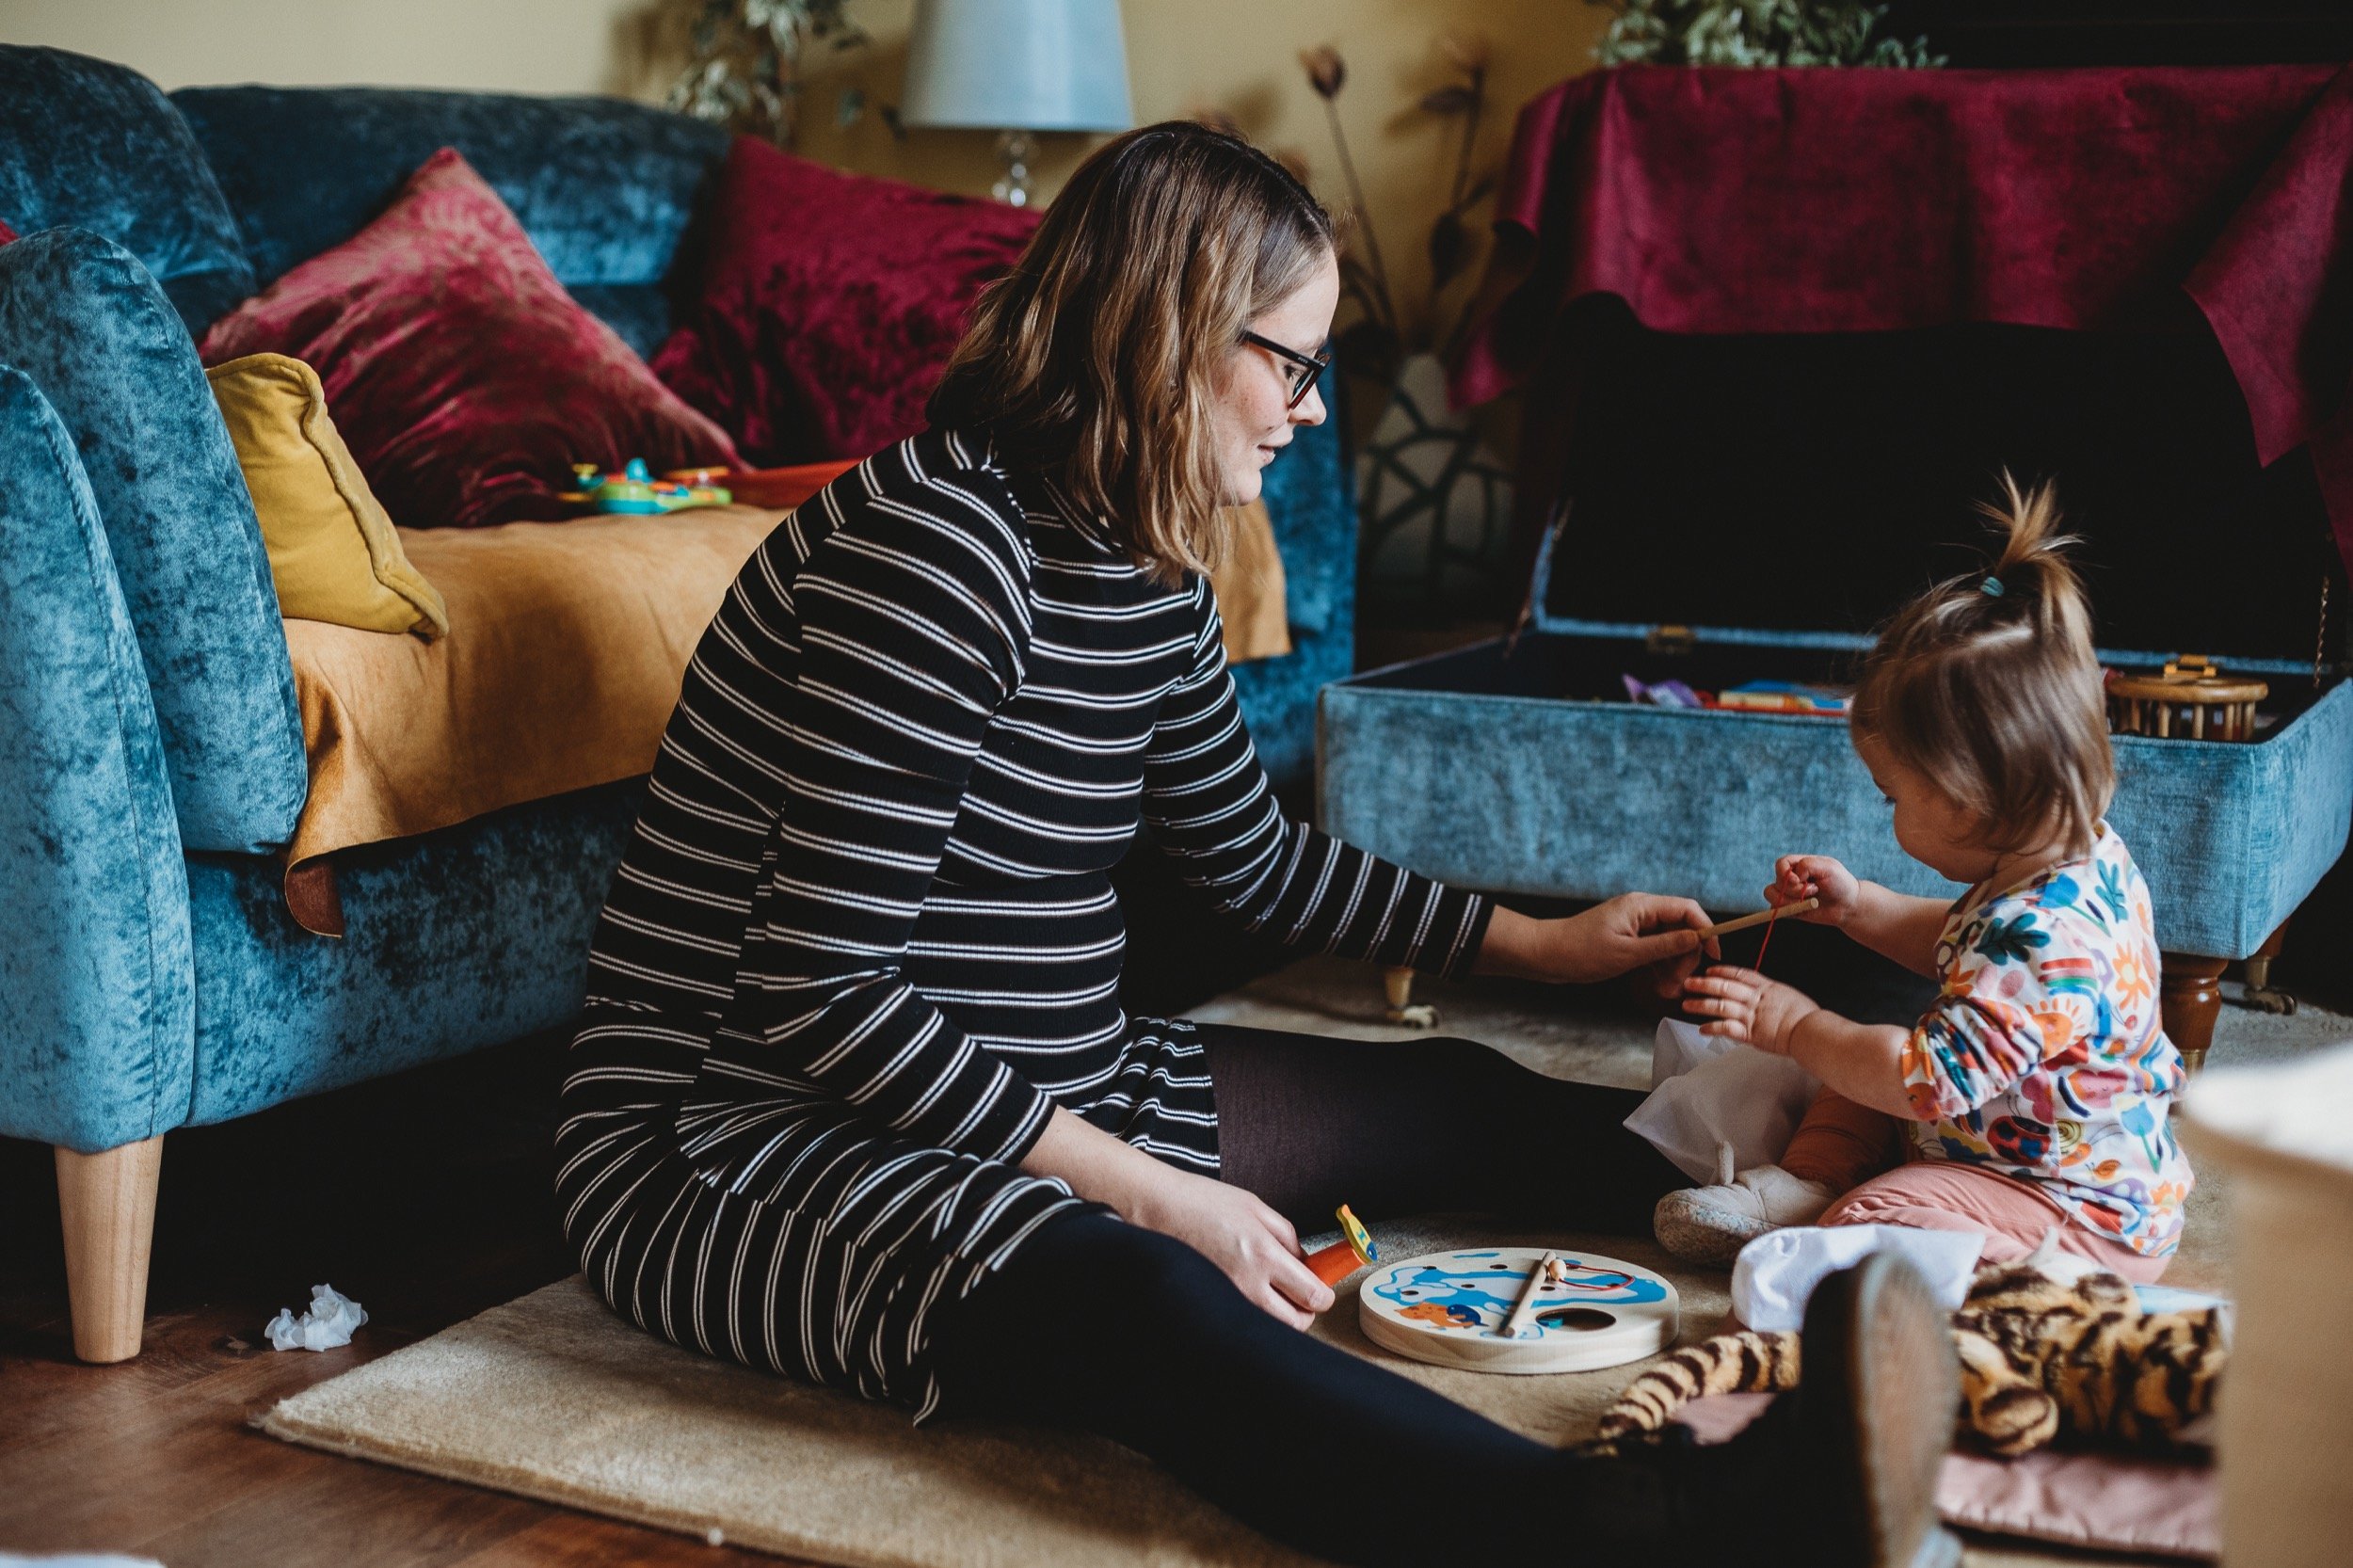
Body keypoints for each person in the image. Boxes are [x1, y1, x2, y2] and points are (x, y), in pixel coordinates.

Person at [555, 120, 1957, 1568]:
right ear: (1168, 333)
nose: (1309, 407)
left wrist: (1538, 945)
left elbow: (1247, 855)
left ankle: (1896, 1228)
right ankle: (1657, 1531)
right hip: (737, 1133)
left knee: (1469, 1097)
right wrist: (1158, 1193)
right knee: (1153, 1294)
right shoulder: (931, 551)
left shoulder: (1150, 560)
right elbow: (824, 993)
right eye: (1292, 362)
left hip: (1047, 1076)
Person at [1662, 479, 2193, 1282]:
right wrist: (1859, 908)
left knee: (1872, 1186)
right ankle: (1805, 1183)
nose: (1888, 814)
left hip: (2071, 1213)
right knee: (1854, 1069)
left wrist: (1796, 1026)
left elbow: (1920, 1082)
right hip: (1995, 1140)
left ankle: (1856, 1224)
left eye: (1893, 797)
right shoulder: (2072, 862)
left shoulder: (2050, 940)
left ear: (1967, 799)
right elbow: (1964, 942)